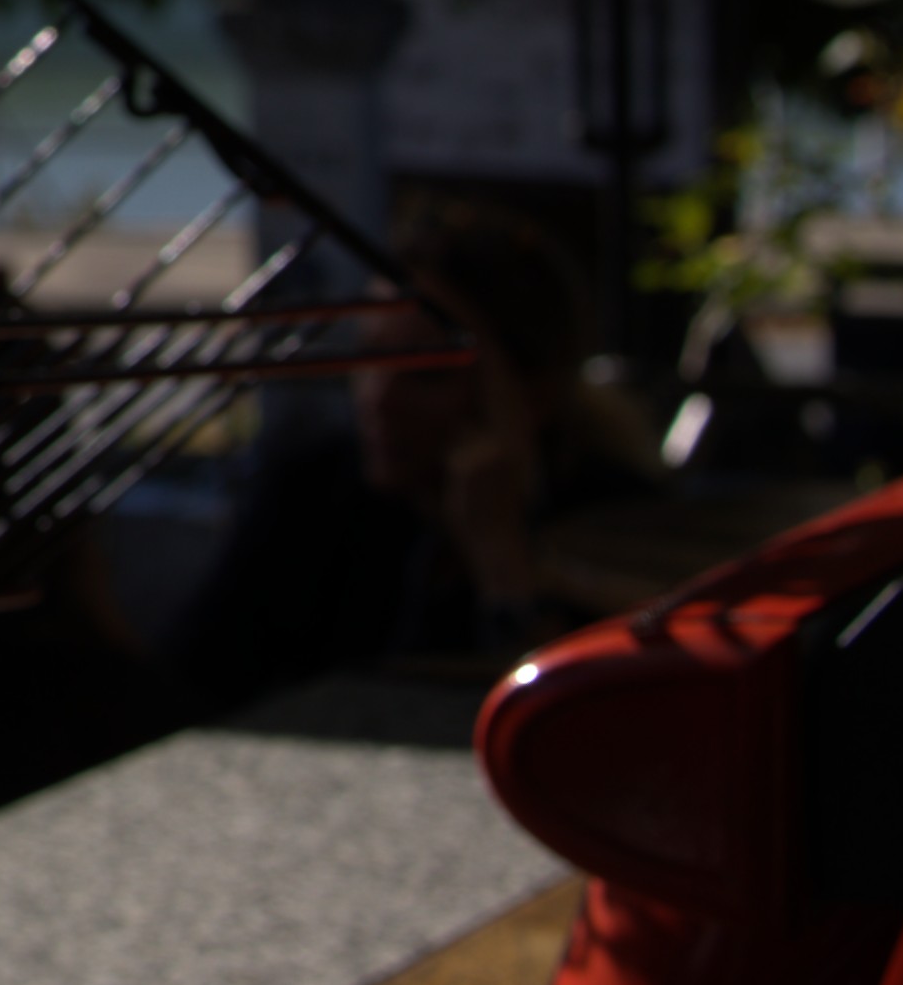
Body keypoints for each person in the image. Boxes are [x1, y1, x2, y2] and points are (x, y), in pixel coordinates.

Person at [169, 191, 658, 714]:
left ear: (530, 392)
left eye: (424, 374)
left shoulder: (613, 519)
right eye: (371, 359)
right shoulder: (315, 493)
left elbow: (578, 721)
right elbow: (191, 680)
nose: (379, 397)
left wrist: (499, 553)